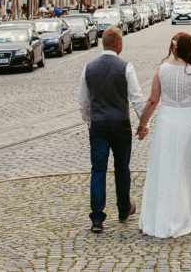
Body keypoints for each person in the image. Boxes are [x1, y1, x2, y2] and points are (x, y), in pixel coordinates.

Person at [137, 33, 191, 238]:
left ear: (173, 48)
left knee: (164, 166)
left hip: (166, 121)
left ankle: (159, 214)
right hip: (188, 122)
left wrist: (143, 123)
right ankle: (186, 212)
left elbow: (152, 100)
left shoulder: (161, 70)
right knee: (187, 168)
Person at [78, 27, 146, 234]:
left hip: (98, 125)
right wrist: (143, 124)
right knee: (121, 168)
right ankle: (124, 208)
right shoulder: (126, 67)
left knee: (97, 170)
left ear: (102, 44)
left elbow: (83, 101)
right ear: (118, 45)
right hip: (120, 125)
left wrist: (89, 119)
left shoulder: (88, 68)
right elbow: (136, 98)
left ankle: (97, 218)